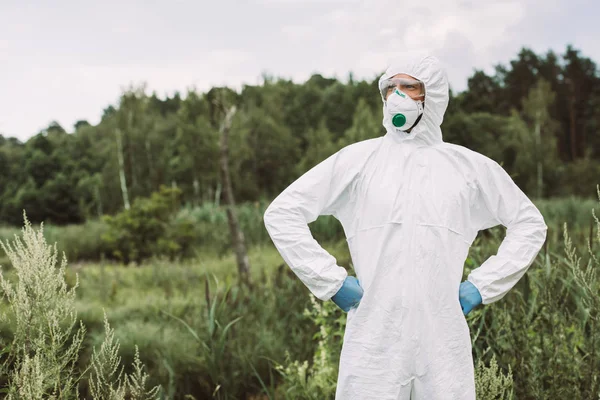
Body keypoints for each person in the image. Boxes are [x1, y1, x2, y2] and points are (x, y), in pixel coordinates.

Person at [263, 53, 547, 400]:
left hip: (441, 335)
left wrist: (482, 286)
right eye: (390, 87)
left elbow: (529, 224)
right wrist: (331, 282)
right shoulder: (358, 161)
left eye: (409, 86)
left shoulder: (468, 168)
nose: (396, 95)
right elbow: (283, 213)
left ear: (433, 96)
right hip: (375, 337)